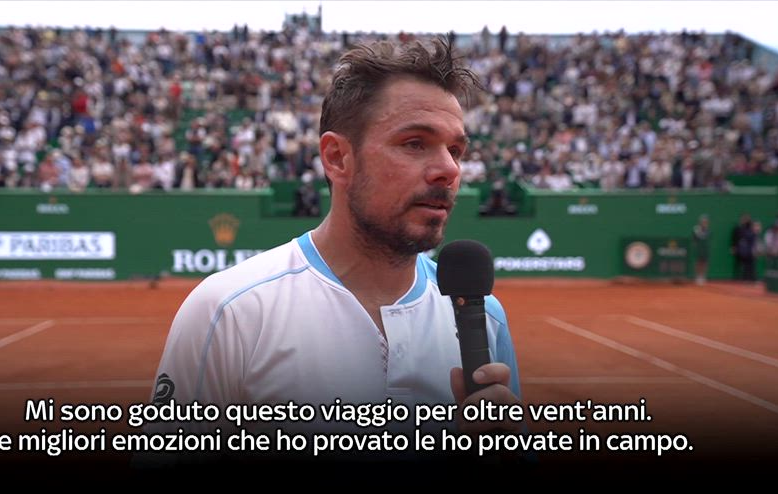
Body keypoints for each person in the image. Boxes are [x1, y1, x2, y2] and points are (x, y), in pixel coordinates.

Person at [138, 35, 523, 470]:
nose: (449, 169)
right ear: (337, 158)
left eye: (456, 150)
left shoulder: (483, 317)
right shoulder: (229, 311)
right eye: (415, 143)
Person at [692, 214, 711, 285]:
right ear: (700, 222)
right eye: (703, 221)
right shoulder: (696, 229)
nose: (704, 223)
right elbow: (695, 239)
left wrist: (705, 229)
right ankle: (698, 276)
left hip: (705, 248)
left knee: (705, 262)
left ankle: (703, 276)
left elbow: (707, 237)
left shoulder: (708, 230)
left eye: (706, 222)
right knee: (698, 262)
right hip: (698, 249)